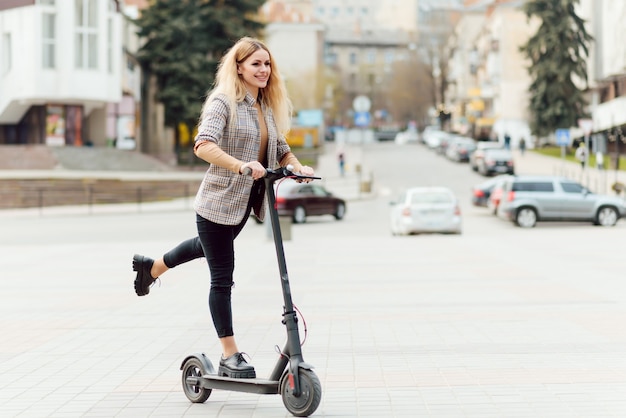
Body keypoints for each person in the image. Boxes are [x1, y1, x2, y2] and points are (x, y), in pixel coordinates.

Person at [132, 37, 314, 379]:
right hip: (217, 201)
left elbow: (281, 149)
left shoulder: (264, 106)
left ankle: (152, 267)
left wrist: (297, 167)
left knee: (206, 247)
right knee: (223, 277)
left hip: (243, 205)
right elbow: (203, 145)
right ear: (240, 67)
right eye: (256, 64)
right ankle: (230, 355)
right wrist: (241, 165)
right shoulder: (223, 102)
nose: (263, 70)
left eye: (267, 64)